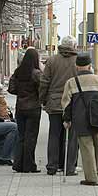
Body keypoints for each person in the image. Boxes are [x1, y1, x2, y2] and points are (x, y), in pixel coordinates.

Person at [62, 53, 98, 186]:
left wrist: (67, 119)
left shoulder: (71, 82)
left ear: (77, 66)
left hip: (81, 120)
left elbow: (66, 104)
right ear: (90, 65)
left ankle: (91, 178)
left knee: (87, 148)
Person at [39, 36, 78, 176]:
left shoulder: (52, 60)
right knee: (72, 136)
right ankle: (69, 167)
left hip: (54, 102)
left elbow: (44, 82)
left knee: (54, 135)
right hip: (73, 103)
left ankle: (52, 166)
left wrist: (43, 100)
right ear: (74, 46)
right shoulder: (77, 60)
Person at [9, 48, 42, 173]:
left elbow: (11, 89)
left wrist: (21, 93)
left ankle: (18, 164)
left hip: (20, 107)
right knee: (31, 137)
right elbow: (42, 88)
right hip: (33, 107)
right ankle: (29, 165)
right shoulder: (36, 73)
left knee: (21, 136)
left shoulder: (18, 72)